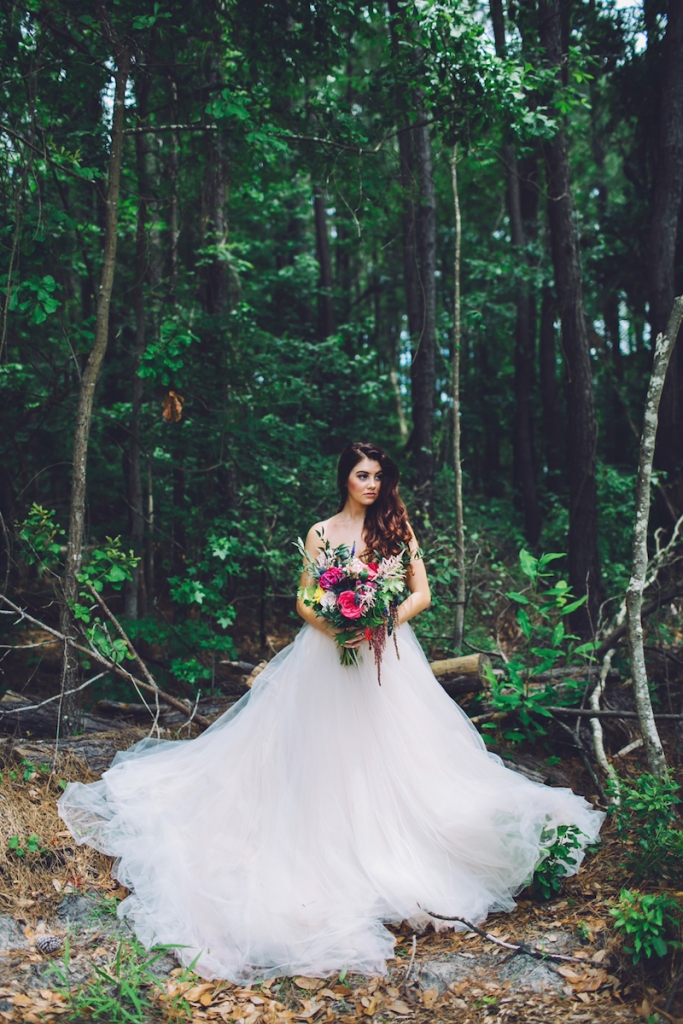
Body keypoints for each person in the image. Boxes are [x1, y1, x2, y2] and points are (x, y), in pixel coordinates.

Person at [58, 441, 604, 984]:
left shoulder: (396, 527)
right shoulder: (321, 533)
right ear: (345, 477)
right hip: (328, 654)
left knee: (396, 748)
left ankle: (398, 844)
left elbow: (423, 592)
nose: (371, 484)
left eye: (378, 476)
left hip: (385, 652)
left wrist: (382, 619)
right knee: (326, 748)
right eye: (362, 475)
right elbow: (304, 599)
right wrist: (338, 625)